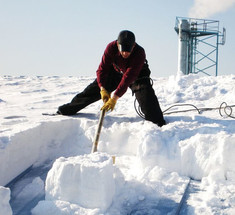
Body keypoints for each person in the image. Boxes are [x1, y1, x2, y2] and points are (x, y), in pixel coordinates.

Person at [57, 30, 166, 127]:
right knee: (92, 90)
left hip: (137, 75)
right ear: (118, 45)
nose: (125, 53)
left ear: (133, 46)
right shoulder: (111, 47)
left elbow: (128, 77)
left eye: (128, 51)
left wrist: (114, 98)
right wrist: (102, 88)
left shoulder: (139, 53)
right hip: (115, 71)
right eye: (122, 50)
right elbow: (102, 70)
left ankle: (157, 123)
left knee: (148, 100)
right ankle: (69, 109)